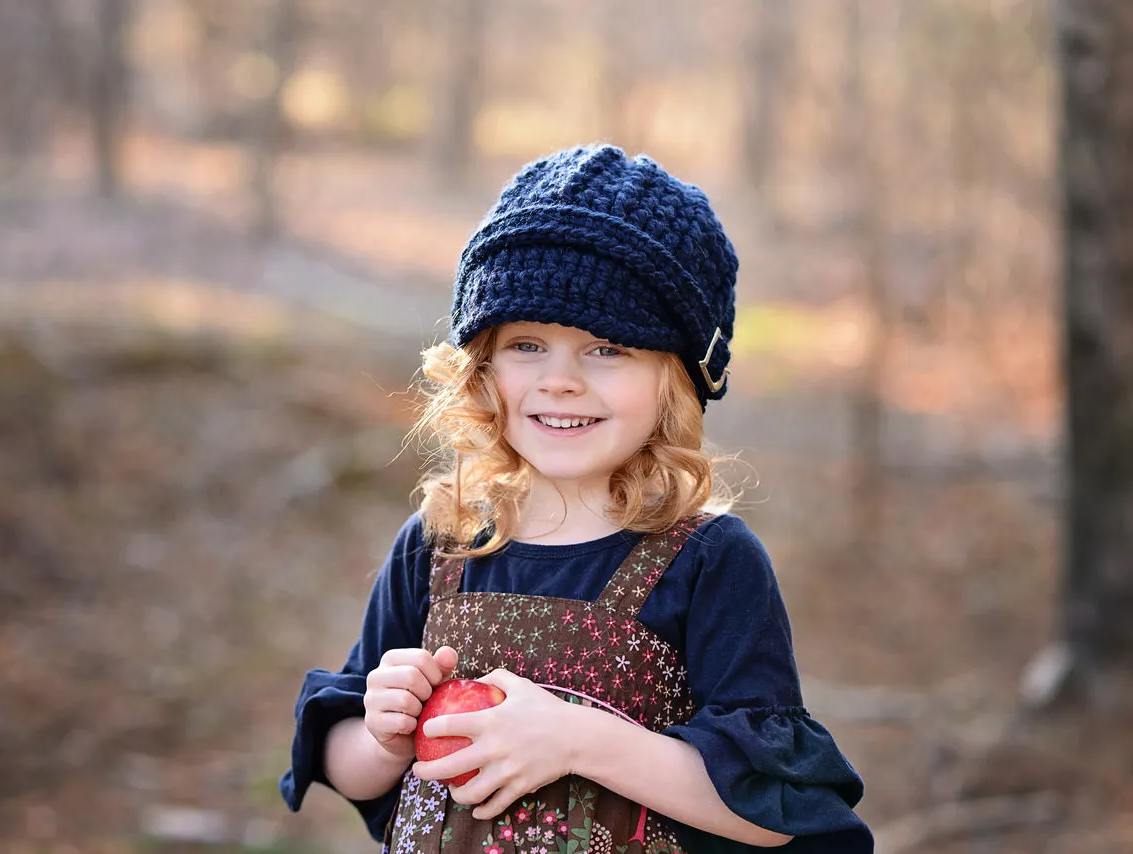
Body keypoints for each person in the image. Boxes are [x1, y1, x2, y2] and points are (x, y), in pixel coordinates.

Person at [280, 145, 873, 852]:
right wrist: (384, 734)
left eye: (606, 349)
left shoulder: (709, 562)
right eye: (528, 344)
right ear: (482, 364)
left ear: (676, 378)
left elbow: (774, 808)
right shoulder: (440, 543)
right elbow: (350, 770)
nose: (560, 380)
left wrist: (578, 740)